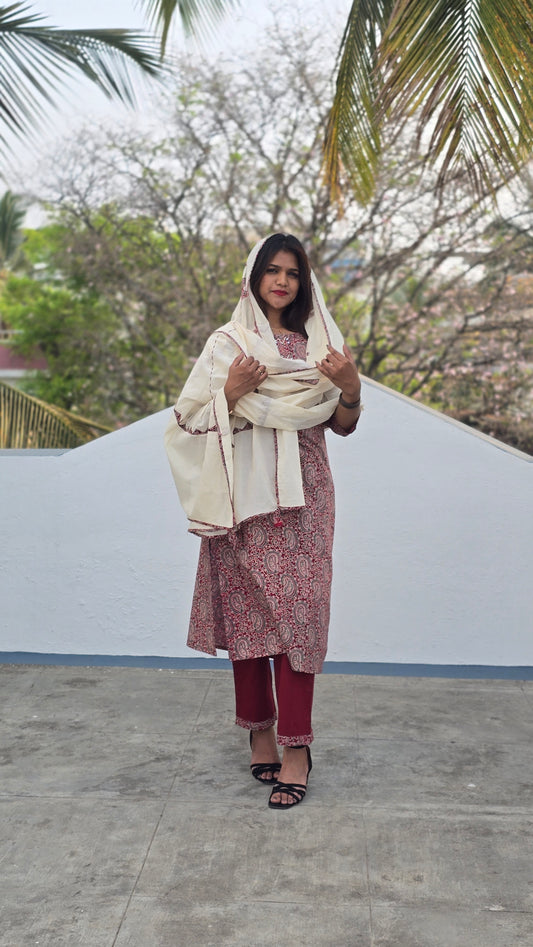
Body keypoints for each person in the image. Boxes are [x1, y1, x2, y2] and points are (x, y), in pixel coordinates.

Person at [165, 233, 361, 809]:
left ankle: (297, 749)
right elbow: (186, 422)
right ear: (253, 278)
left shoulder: (322, 346)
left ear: (304, 283)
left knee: (299, 620)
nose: (282, 281)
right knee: (249, 619)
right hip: (243, 502)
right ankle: (260, 734)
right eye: (272, 271)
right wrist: (229, 394)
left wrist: (350, 390)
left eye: (293, 273)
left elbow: (342, 423)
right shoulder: (227, 345)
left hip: (306, 501)